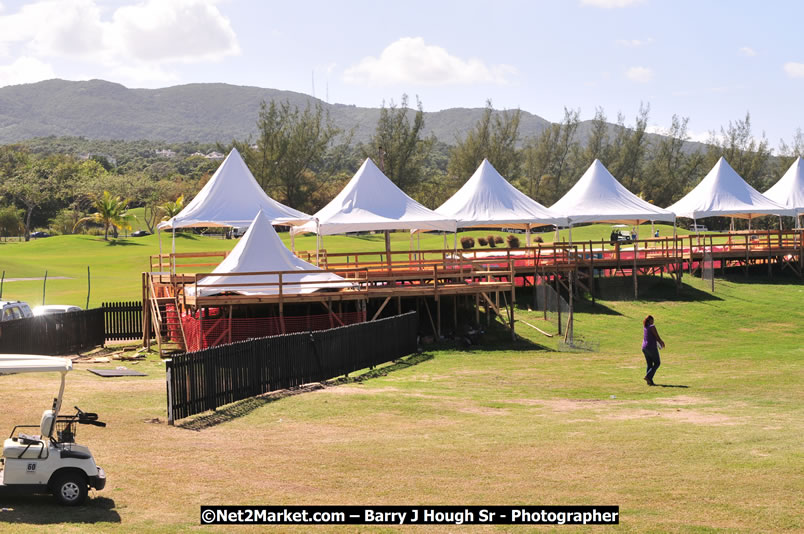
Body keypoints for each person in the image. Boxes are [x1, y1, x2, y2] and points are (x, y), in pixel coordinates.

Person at [642, 315, 665, 386]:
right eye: (653, 320)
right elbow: (656, 336)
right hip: (651, 347)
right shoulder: (652, 326)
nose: (653, 321)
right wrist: (661, 342)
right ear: (650, 320)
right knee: (657, 363)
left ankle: (649, 381)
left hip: (644, 347)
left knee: (649, 364)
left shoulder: (645, 327)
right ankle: (648, 376)